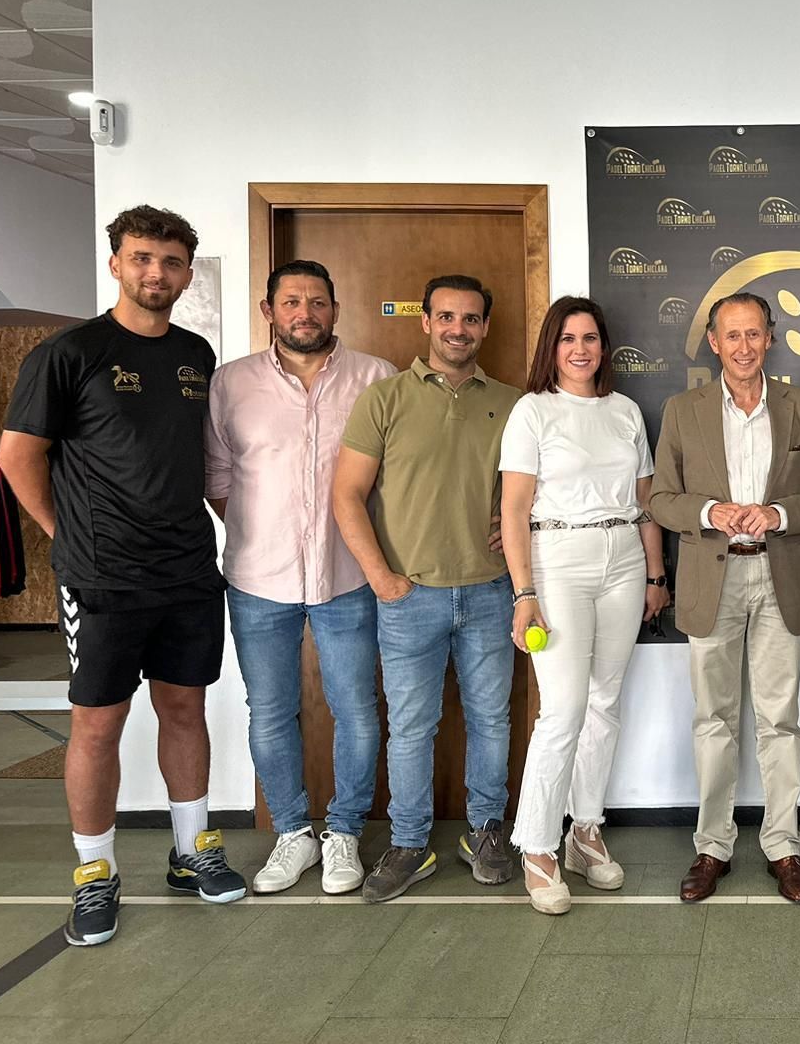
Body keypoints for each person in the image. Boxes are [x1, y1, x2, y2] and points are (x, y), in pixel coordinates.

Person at [0, 205, 247, 948]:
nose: (156, 275)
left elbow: (203, 463)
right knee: (97, 725)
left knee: (183, 711)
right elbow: (17, 457)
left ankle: (191, 851)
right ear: (115, 264)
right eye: (142, 259)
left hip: (186, 571)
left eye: (171, 263)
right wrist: (68, 535)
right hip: (101, 580)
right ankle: (95, 873)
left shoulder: (196, 355)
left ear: (186, 272)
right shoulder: (67, 353)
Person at [206, 260, 395, 896]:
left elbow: (395, 477)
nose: (304, 313)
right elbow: (218, 478)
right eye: (291, 301)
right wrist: (260, 535)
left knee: (358, 710)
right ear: (269, 310)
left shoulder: (375, 378)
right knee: (270, 712)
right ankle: (292, 833)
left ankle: (342, 834)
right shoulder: (230, 384)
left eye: (317, 301)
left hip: (350, 578)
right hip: (258, 579)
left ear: (335, 310)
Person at [332, 274, 521, 903]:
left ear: (484, 327)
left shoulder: (514, 403)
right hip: (408, 598)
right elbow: (346, 496)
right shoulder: (383, 400)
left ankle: (486, 830)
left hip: (493, 591)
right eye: (446, 317)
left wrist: (515, 526)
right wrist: (381, 578)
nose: (457, 330)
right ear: (426, 322)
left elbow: (533, 490)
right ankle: (410, 843)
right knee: (411, 727)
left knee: (491, 720)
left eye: (470, 319)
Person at [648, 293, 800, 904]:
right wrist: (710, 511)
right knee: (714, 719)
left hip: (781, 576)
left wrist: (779, 513)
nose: (743, 346)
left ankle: (784, 847)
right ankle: (713, 847)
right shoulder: (683, 410)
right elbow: (660, 500)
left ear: (769, 338)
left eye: (754, 334)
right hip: (713, 579)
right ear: (714, 342)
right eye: (732, 336)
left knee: (780, 720)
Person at [499, 296, 670, 915]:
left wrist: (656, 572)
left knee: (604, 702)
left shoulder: (625, 411)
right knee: (564, 709)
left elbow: (645, 498)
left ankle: (585, 831)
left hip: (624, 557)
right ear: (553, 346)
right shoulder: (532, 411)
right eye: (568, 338)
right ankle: (537, 846)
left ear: (604, 346)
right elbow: (514, 511)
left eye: (591, 338)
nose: (580, 349)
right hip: (558, 562)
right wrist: (525, 594)